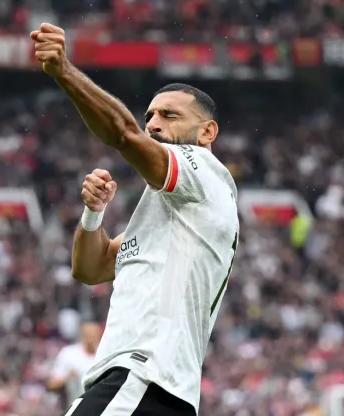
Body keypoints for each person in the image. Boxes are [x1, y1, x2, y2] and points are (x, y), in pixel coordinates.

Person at [30, 23, 239, 416]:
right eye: (150, 115)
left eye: (170, 115)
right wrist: (93, 214)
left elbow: (124, 134)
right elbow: (89, 269)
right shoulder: (176, 216)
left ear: (207, 131)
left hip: (140, 376)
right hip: (155, 388)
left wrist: (64, 71)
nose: (154, 123)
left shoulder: (202, 171)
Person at [47, 322, 102, 410]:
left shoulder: (105, 355)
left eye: (93, 334)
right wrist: (67, 377)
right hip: (73, 409)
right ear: (81, 335)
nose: (90, 338)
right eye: (87, 334)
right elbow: (51, 385)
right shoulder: (68, 354)